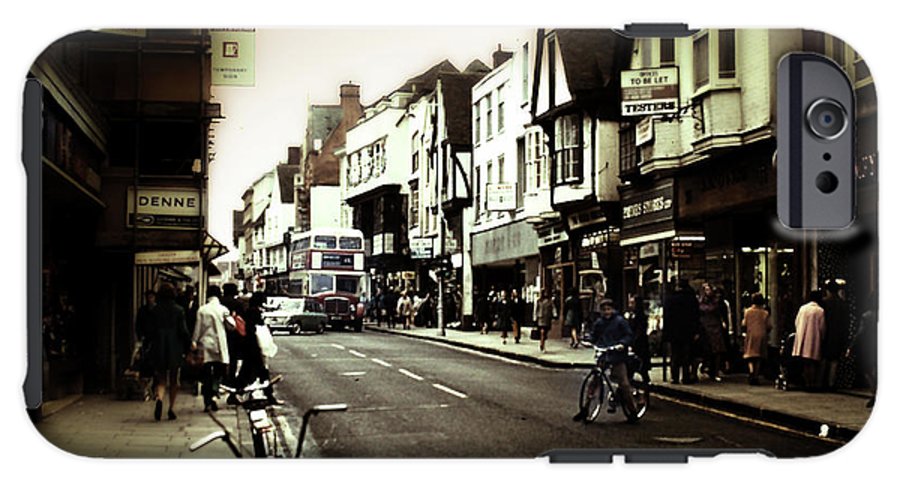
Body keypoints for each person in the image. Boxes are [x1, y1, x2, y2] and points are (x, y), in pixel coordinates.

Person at [573, 298, 637, 422]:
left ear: (612, 310)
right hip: (603, 354)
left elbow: (629, 335)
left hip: (617, 356)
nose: (606, 312)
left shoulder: (620, 321)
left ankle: (633, 411)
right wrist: (588, 340)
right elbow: (594, 335)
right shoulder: (599, 323)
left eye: (608, 309)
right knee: (594, 382)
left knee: (624, 383)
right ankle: (585, 409)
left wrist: (622, 344)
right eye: (604, 310)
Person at [142, 284, 190, 421]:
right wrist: (189, 343)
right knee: (174, 379)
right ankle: (171, 409)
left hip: (159, 347)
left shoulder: (155, 310)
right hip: (174, 347)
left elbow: (149, 331)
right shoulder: (179, 310)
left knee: (161, 378)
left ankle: (160, 399)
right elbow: (183, 331)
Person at [193, 285, 231, 412]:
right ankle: (215, 393)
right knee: (218, 372)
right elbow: (233, 326)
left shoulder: (202, 310)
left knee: (206, 373)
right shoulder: (223, 309)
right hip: (219, 345)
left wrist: (194, 341)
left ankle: (207, 401)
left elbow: (197, 328)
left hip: (205, 345)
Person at [663, 279, 701, 384]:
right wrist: (696, 331)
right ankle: (686, 376)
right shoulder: (691, 299)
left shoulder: (670, 299)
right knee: (686, 355)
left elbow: (667, 317)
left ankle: (674, 377)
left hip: (674, 332)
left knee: (675, 354)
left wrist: (666, 333)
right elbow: (696, 316)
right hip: (687, 331)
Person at [792, 290, 826, 391]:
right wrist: (822, 337)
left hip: (802, 337)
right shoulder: (820, 311)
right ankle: (812, 384)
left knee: (805, 363)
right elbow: (822, 327)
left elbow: (796, 322)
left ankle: (807, 383)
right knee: (813, 362)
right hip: (814, 338)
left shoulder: (802, 309)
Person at [847, 293, 876, 407]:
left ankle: (875, 393)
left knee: (868, 370)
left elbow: (860, 334)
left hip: (870, 347)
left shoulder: (867, 316)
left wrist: (851, 347)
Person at [821, 279, 850, 390]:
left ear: (828, 290)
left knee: (824, 358)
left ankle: (822, 382)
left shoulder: (824, 303)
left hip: (826, 333)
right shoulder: (843, 304)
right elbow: (846, 321)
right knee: (834, 360)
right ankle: (831, 383)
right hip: (838, 335)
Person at [698, 283, 728, 382]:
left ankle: (715, 370)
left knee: (717, 351)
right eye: (706, 290)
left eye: (709, 289)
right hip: (705, 327)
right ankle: (707, 368)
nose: (708, 291)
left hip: (715, 327)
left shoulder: (716, 302)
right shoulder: (702, 302)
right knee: (707, 350)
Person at [742, 293, 772, 385]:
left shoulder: (748, 311)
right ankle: (756, 375)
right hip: (762, 335)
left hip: (751, 334)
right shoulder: (765, 313)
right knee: (759, 356)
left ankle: (751, 371)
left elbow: (744, 324)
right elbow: (769, 325)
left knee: (750, 355)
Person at [626, 295, 651, 383]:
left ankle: (646, 388)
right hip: (633, 345)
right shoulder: (631, 315)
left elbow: (639, 332)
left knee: (642, 369)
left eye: (632, 303)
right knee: (630, 369)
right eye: (630, 303)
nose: (630, 305)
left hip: (640, 346)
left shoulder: (641, 316)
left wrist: (633, 342)